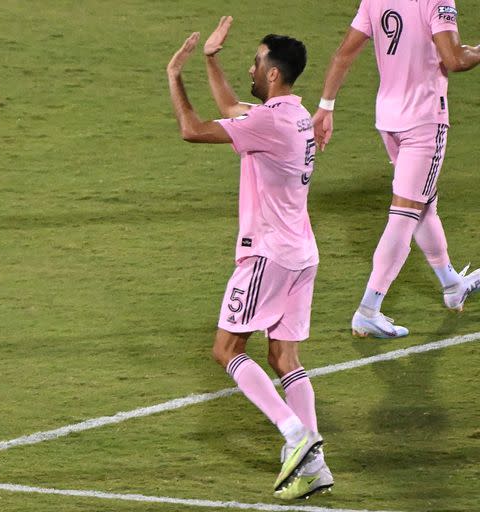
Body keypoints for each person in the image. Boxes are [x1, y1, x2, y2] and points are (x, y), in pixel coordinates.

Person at [167, 17, 332, 500]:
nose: (252, 69)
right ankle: (314, 463)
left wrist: (176, 76)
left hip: (268, 254)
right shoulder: (293, 115)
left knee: (226, 350)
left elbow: (192, 130)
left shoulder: (267, 121)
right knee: (285, 357)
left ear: (274, 74)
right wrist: (211, 60)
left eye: (256, 62)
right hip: (302, 253)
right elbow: (229, 107)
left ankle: (297, 435)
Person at [313, 0, 480, 338]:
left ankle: (452, 285)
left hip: (388, 120)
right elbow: (455, 59)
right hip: (423, 120)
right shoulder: (437, 1)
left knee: (423, 204)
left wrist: (325, 107)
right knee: (405, 213)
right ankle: (368, 309)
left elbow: (344, 52)